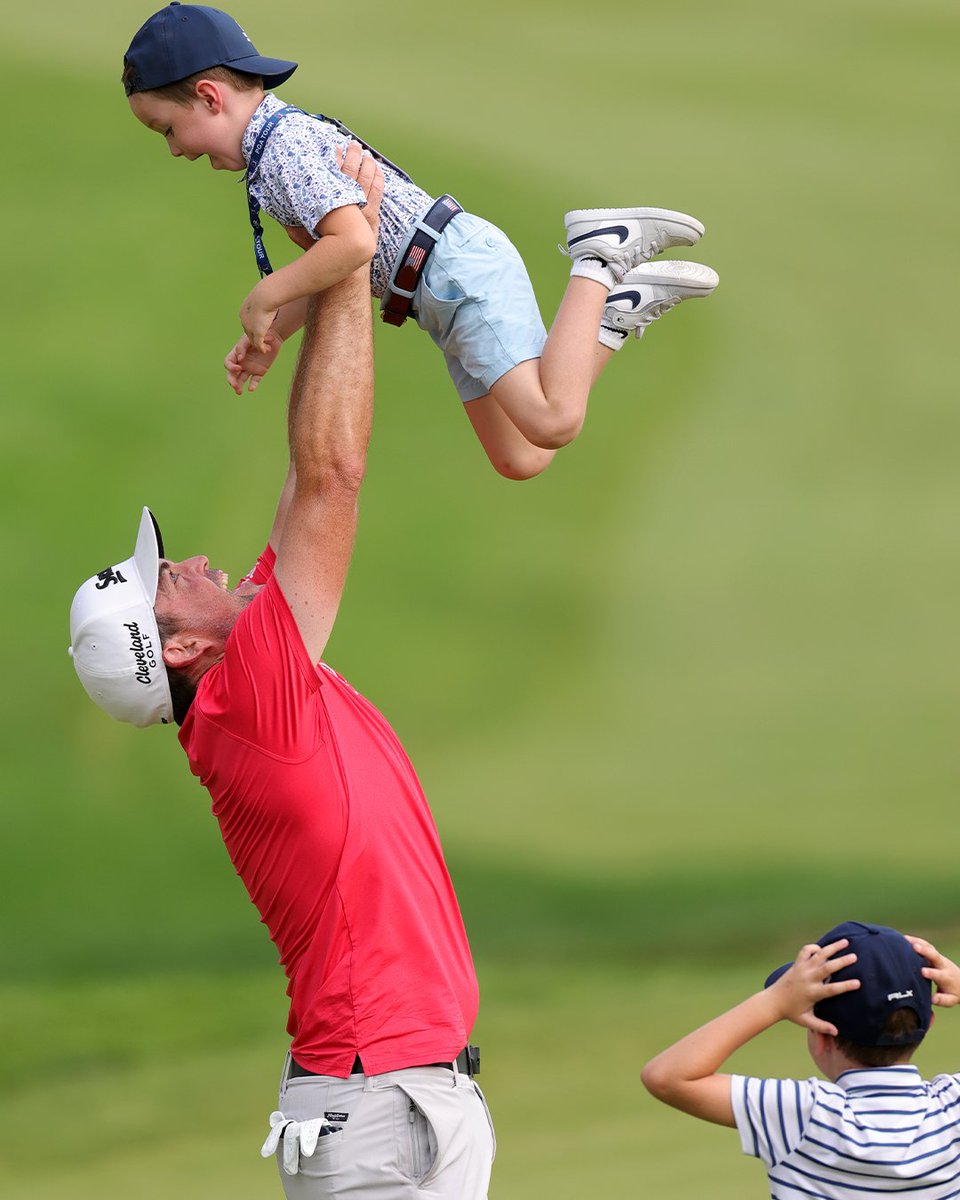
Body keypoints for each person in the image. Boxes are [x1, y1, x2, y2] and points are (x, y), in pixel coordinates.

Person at [68, 146, 495, 1200]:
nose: (189, 561)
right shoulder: (249, 701)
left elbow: (314, 479)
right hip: (379, 1111)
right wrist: (347, 252)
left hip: (394, 1103)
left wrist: (334, 256)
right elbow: (329, 475)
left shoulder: (251, 691)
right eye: (165, 580)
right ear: (178, 649)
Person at [121, 3, 720, 481]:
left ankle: (597, 254)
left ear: (207, 95)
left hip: (456, 273)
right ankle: (612, 315)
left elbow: (353, 244)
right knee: (522, 458)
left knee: (554, 421)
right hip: (435, 297)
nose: (175, 148)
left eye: (167, 129)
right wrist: (272, 330)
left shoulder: (282, 150)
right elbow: (331, 265)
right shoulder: (271, 150)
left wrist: (264, 294)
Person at [641, 920, 960, 1199]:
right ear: (928, 1023)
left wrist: (773, 1003)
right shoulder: (952, 1110)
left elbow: (667, 1077)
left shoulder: (806, 1116)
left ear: (820, 1035)